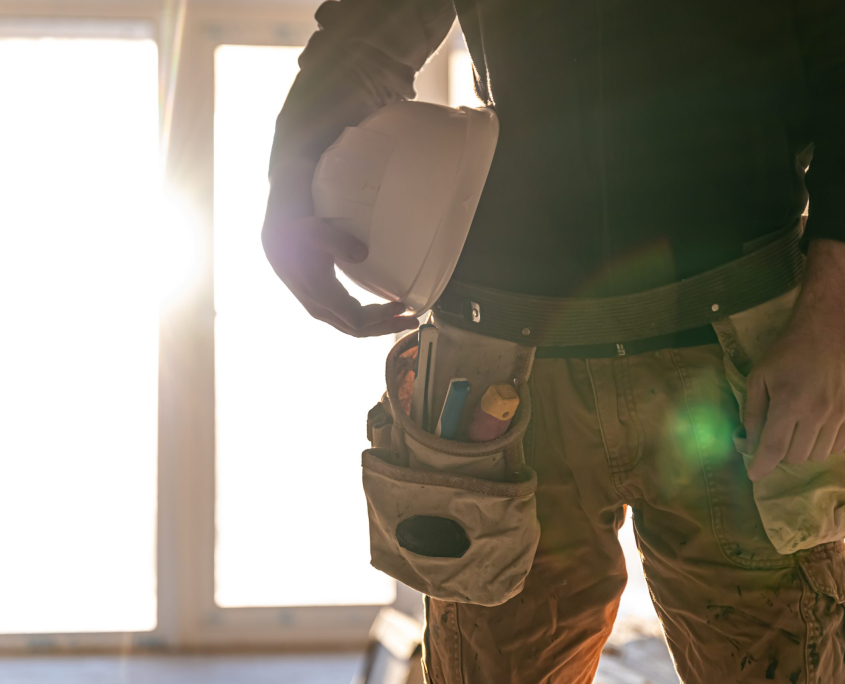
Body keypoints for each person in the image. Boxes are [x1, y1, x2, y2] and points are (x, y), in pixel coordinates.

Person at [261, 1, 845, 682]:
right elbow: (370, 31)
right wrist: (291, 183)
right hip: (507, 365)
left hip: (740, 354)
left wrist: (829, 316)